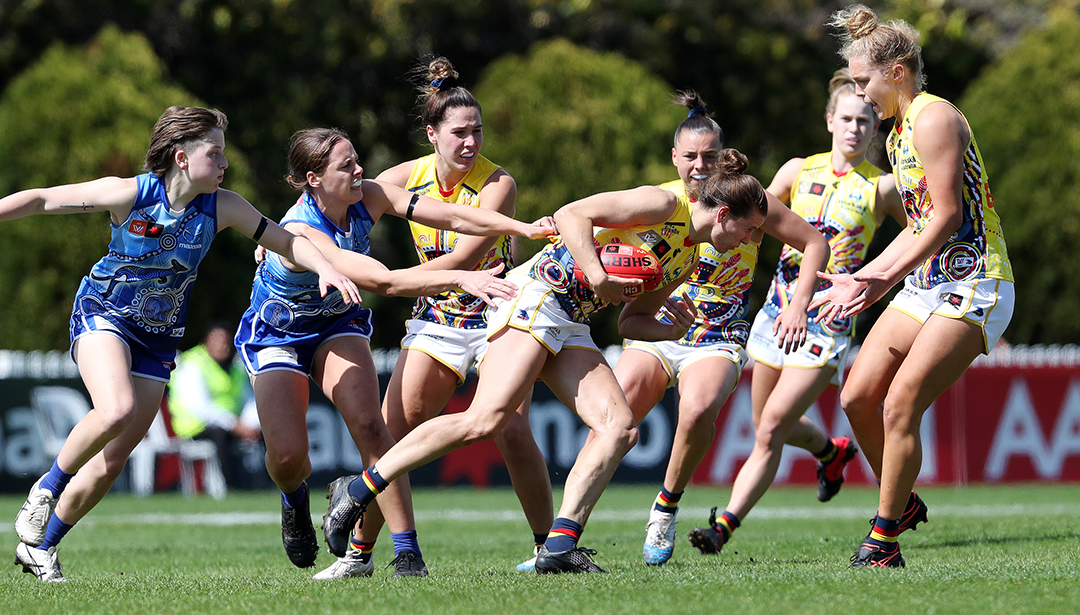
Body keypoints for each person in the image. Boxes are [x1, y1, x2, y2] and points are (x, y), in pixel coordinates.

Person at [323, 147, 773, 574]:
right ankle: (358, 488)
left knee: (619, 428)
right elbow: (571, 214)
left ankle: (559, 546)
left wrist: (668, 330)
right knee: (485, 419)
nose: (752, 240)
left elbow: (630, 323)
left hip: (570, 319)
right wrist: (598, 276)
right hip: (536, 295)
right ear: (722, 214)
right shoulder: (662, 204)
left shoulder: (687, 258)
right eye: (750, 229)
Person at [9, 106, 361, 583]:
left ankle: (40, 548)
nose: (224, 164)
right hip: (103, 314)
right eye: (214, 153)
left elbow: (285, 241)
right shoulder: (128, 193)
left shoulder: (224, 206)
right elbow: (41, 199)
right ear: (181, 158)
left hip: (158, 339)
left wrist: (325, 266)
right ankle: (44, 491)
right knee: (114, 410)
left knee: (112, 461)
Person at [234, 127, 554, 577]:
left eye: (357, 159)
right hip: (279, 332)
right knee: (288, 459)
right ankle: (294, 497)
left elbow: (455, 218)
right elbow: (384, 282)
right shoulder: (302, 231)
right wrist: (459, 278)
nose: (360, 171)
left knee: (373, 426)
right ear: (314, 178)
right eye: (346, 166)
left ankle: (407, 553)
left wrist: (519, 226)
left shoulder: (371, 194)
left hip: (335, 324)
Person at [317, 57, 553, 580]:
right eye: (459, 132)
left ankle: (548, 547)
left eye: (478, 131)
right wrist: (285, 242)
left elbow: (464, 262)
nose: (471, 142)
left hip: (498, 317)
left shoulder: (499, 183)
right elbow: (333, 196)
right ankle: (361, 555)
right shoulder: (404, 176)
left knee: (512, 428)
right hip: (439, 321)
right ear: (432, 134)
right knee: (392, 435)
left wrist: (395, 280)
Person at [814, 4, 1014, 568]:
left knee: (900, 404)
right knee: (857, 397)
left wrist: (875, 275)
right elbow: (918, 228)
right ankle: (900, 502)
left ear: (896, 72)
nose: (859, 94)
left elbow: (946, 216)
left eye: (863, 81)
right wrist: (870, 282)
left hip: (977, 282)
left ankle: (883, 541)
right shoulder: (898, 130)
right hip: (929, 283)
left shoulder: (932, 117)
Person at [686, 70, 907, 559]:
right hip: (776, 311)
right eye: (846, 118)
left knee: (769, 430)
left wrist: (889, 280)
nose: (854, 128)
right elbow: (749, 229)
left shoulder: (883, 188)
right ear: (829, 120)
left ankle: (723, 525)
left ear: (876, 128)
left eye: (865, 120)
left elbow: (920, 236)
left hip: (826, 318)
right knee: (769, 421)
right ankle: (832, 452)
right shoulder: (795, 171)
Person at [608, 92, 830, 566]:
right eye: (690, 156)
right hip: (659, 326)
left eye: (709, 156)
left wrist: (798, 305)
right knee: (615, 414)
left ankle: (665, 508)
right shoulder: (661, 199)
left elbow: (814, 243)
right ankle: (565, 533)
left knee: (698, 408)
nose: (699, 165)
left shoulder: (748, 201)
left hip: (717, 334)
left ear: (723, 158)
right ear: (675, 157)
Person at [167, 321, 261, 491]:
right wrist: (234, 424)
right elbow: (200, 407)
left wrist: (251, 424)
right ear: (205, 343)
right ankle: (231, 487)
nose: (221, 347)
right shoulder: (192, 364)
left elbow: (249, 399)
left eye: (225, 342)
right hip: (195, 427)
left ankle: (268, 487)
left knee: (266, 432)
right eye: (216, 342)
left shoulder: (237, 366)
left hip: (232, 425)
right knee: (220, 434)